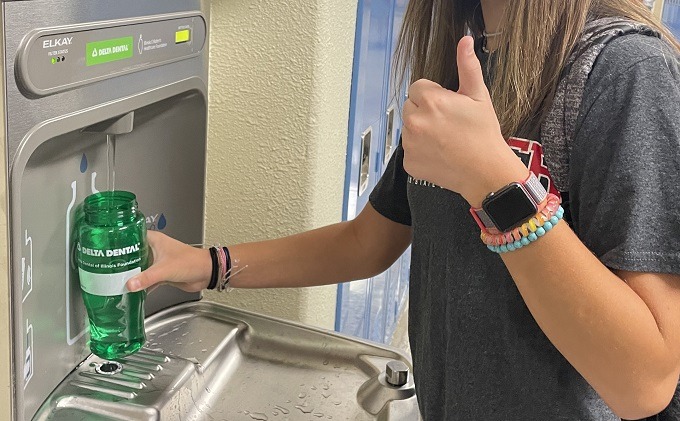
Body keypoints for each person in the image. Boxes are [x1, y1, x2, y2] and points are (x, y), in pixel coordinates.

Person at [126, 0, 680, 419]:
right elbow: (368, 241)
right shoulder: (467, 64)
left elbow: (644, 381)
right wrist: (204, 265)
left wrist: (495, 183)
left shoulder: (625, 69)